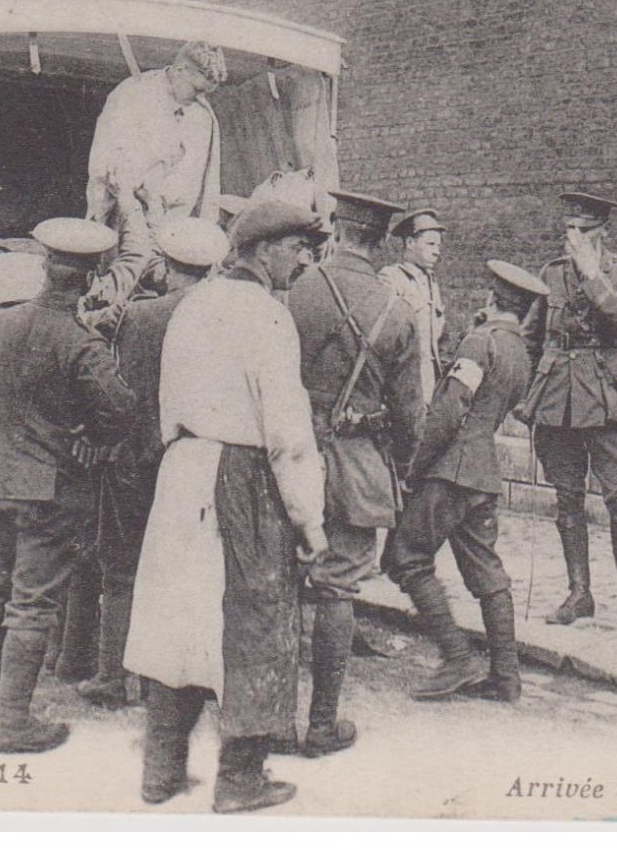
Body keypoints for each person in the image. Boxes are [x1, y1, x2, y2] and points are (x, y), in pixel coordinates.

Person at [123, 201, 329, 813]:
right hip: (242, 476)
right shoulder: (267, 316)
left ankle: (160, 772)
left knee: (177, 618)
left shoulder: (194, 306)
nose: (303, 258)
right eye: (297, 247)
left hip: (182, 469)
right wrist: (309, 521)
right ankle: (240, 781)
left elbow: (166, 401)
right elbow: (288, 432)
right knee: (254, 625)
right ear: (263, 251)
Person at [0, 217, 136, 755]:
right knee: (30, 605)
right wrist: (85, 435)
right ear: (92, 279)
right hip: (44, 492)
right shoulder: (82, 345)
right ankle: (12, 723)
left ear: (44, 267)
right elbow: (121, 411)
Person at [284, 190, 423, 756]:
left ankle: (267, 718)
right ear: (383, 240)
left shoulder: (296, 289)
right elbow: (411, 415)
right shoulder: (398, 309)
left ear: (336, 231)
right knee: (336, 589)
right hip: (356, 466)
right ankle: (321, 724)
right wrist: (404, 469)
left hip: (288, 454)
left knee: (278, 581)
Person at [77, 213, 231, 709]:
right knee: (190, 570)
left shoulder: (139, 317)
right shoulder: (225, 316)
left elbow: (122, 391)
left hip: (136, 458)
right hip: (199, 462)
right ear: (210, 268)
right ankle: (177, 679)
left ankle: (110, 676)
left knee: (121, 565)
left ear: (164, 265)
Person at [383, 259, 547, 703]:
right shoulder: (520, 352)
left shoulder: (480, 341)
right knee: (487, 573)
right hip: (483, 472)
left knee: (405, 558)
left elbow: (450, 409)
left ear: (492, 298)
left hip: (450, 471)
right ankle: (506, 676)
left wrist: (414, 467)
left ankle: (456, 657)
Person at [520, 191, 617, 637]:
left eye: (582, 231)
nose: (572, 238)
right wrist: (522, 389)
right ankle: (579, 593)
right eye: (568, 229)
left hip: (608, 398)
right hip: (558, 396)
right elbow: (531, 337)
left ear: (603, 234)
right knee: (567, 496)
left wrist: (591, 274)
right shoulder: (549, 274)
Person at [84, 42, 228, 230]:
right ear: (181, 70)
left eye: (205, 93)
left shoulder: (201, 115)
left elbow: (193, 180)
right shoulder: (133, 93)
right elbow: (103, 160)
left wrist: (161, 200)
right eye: (196, 90)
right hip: (120, 213)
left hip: (165, 221)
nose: (199, 98)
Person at [379, 208, 449, 405]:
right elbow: (384, 338)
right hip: (402, 385)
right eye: (430, 244)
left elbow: (439, 336)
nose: (437, 250)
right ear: (410, 243)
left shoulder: (431, 282)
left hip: (430, 386)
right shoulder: (391, 278)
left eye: (438, 245)